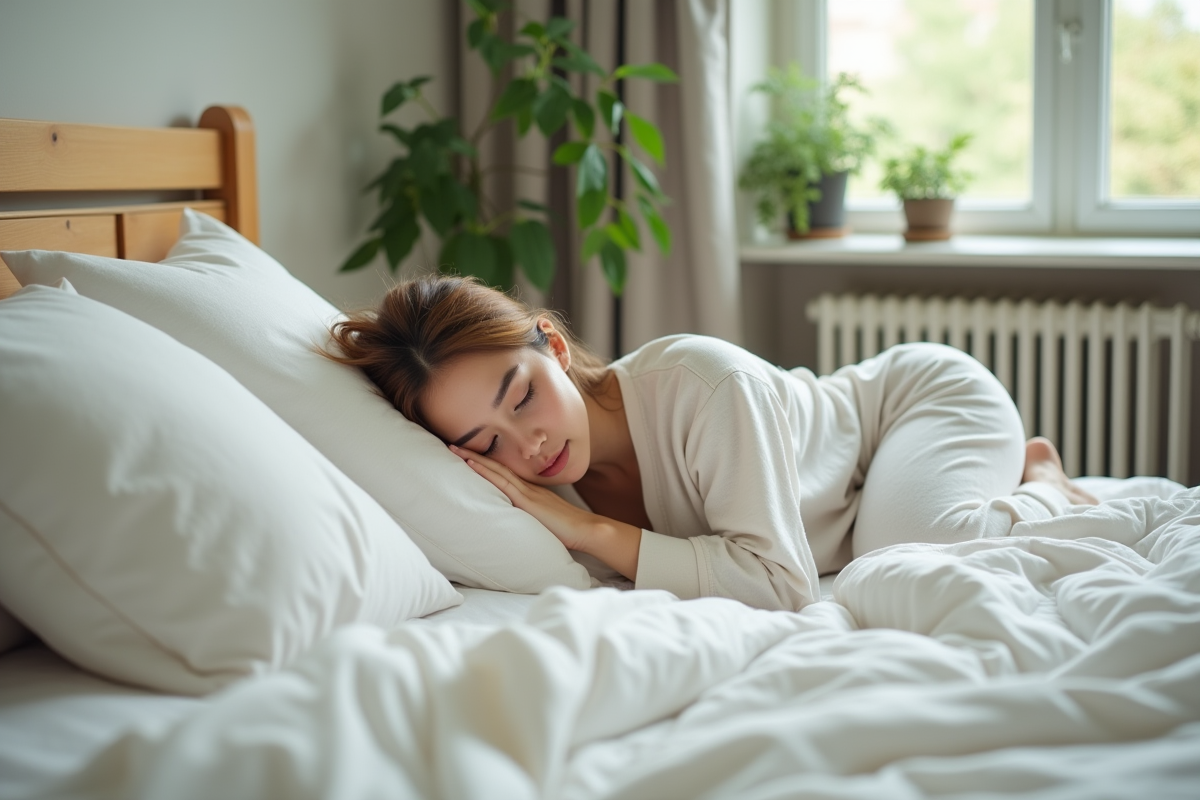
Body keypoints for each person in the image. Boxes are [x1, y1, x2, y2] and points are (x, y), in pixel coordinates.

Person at [327, 274, 1098, 612]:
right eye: (483, 442)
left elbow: (784, 586)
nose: (526, 446)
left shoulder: (703, 384)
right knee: (878, 543)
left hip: (914, 405)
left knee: (907, 546)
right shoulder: (522, 485)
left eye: (522, 394)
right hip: (843, 486)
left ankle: (1044, 480)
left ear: (555, 347)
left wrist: (593, 531)